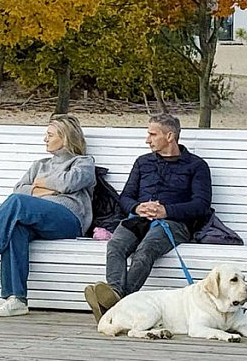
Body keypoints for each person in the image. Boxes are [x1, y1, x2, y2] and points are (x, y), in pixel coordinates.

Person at [0, 114, 96, 317]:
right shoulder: (40, 164)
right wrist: (49, 189)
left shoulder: (83, 163)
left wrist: (41, 184)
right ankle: (16, 299)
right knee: (15, 230)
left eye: (49, 134)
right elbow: (18, 189)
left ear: (65, 138)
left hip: (68, 219)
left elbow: (68, 183)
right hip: (36, 218)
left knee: (18, 204)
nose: (45, 139)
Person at [83, 114, 212, 323]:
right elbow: (125, 197)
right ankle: (115, 295)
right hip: (138, 219)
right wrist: (137, 206)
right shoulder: (143, 162)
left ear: (170, 136)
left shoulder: (196, 166)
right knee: (115, 245)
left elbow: (201, 205)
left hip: (174, 223)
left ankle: (114, 304)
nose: (147, 139)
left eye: (152, 134)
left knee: (146, 249)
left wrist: (166, 211)